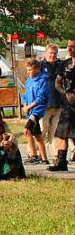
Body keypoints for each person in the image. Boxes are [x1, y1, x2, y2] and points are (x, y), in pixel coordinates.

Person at [48, 39, 75, 172]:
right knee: (62, 133)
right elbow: (58, 82)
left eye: (73, 47)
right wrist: (65, 93)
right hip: (67, 104)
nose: (70, 49)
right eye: (69, 46)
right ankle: (61, 162)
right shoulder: (65, 64)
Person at [21, 57, 49, 165]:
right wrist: (26, 105)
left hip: (37, 110)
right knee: (37, 134)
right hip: (30, 110)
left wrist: (30, 107)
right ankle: (44, 158)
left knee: (27, 131)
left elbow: (41, 98)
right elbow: (27, 95)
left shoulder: (43, 80)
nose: (28, 72)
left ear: (37, 69)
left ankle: (34, 156)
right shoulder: (29, 80)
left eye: (30, 70)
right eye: (27, 70)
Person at [40, 44, 63, 162]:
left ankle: (55, 156)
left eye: (54, 53)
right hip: (44, 104)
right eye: (50, 53)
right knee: (42, 130)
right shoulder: (40, 66)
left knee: (55, 132)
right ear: (45, 53)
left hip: (58, 103)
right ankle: (36, 153)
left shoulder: (60, 65)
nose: (52, 55)